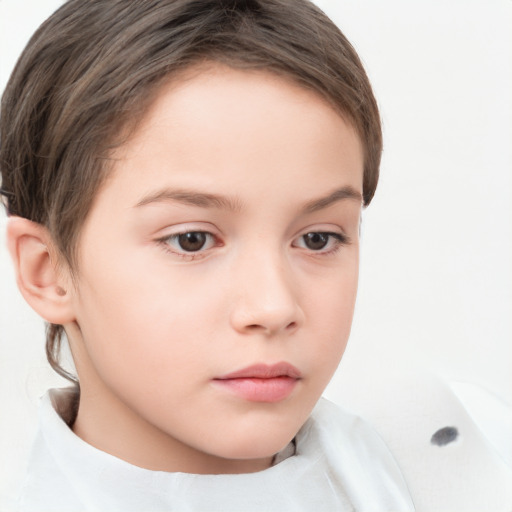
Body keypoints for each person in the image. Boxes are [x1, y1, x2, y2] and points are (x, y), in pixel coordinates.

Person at [0, 0, 419, 510]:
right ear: (47, 272)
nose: (273, 307)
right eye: (191, 240)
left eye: (317, 238)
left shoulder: (445, 472)